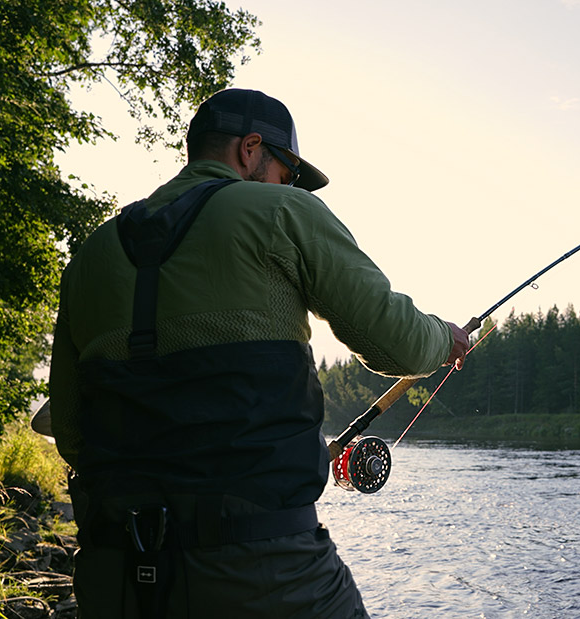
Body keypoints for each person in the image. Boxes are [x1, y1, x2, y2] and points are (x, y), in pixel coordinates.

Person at [47, 88, 469, 618]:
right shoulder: (281, 212)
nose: (288, 185)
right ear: (251, 150)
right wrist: (443, 338)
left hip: (118, 574)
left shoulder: (90, 254)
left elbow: (71, 428)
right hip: (265, 571)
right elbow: (398, 343)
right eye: (287, 172)